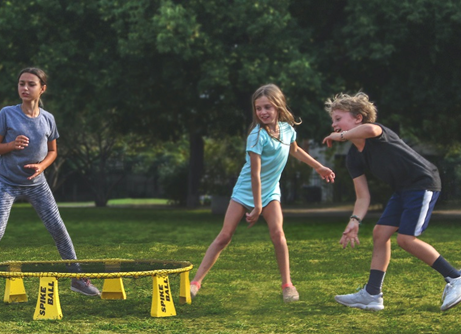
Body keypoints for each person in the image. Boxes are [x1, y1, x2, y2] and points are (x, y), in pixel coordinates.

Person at [190, 84, 335, 302]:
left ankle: (287, 285)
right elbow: (254, 175)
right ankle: (195, 283)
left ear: (278, 107)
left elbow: (294, 150)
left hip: (270, 192)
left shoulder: (287, 130)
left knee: (278, 234)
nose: (263, 112)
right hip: (245, 190)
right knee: (224, 236)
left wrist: (318, 166)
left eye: (267, 107)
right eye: (258, 108)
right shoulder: (256, 136)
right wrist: (256, 207)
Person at [0, 67, 100, 300]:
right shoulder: (7, 114)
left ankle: (77, 279)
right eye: (21, 84)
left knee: (58, 228)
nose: (25, 88)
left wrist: (41, 167)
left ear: (43, 89)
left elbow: (52, 151)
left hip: (37, 184)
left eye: (31, 84)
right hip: (5, 181)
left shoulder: (48, 119)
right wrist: (11, 145)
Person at [322, 92, 461, 311]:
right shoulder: (353, 157)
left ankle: (456, 278)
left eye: (338, 118)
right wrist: (355, 221)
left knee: (405, 239)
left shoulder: (377, 132)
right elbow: (363, 196)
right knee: (380, 234)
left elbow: (370, 129)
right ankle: (372, 294)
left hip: (422, 183)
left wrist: (339, 136)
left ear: (358, 117)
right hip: (403, 190)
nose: (334, 124)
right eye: (333, 120)